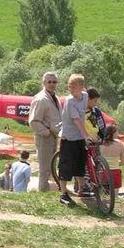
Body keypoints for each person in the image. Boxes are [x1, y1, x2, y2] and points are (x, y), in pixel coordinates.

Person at [58, 74, 91, 206]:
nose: (70, 89)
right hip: (69, 137)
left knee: (80, 162)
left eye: (73, 86)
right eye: (69, 86)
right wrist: (86, 135)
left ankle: (82, 189)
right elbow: (77, 120)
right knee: (66, 165)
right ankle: (63, 194)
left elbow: (85, 112)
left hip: (79, 137)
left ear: (81, 87)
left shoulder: (85, 96)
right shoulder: (70, 101)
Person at [29, 72, 61, 191]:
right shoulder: (40, 99)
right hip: (44, 138)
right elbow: (33, 121)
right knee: (44, 168)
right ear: (44, 83)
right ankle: (43, 192)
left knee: (51, 167)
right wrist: (46, 132)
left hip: (53, 137)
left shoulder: (55, 97)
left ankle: (50, 191)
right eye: (49, 82)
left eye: (54, 82)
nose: (52, 84)